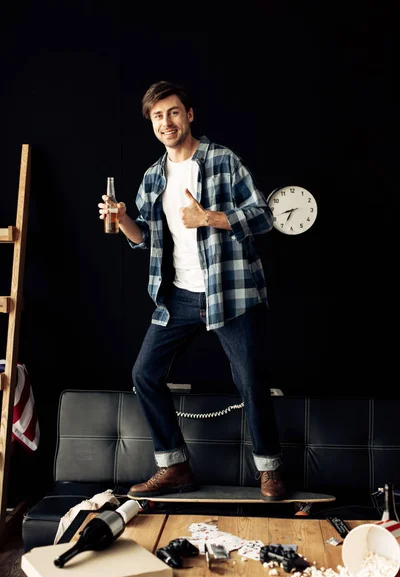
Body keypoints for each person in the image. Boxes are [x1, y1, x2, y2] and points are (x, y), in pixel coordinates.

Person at [98, 81, 286, 500]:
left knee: (251, 380)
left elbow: (263, 216)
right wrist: (124, 218)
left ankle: (270, 469)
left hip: (231, 292)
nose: (167, 122)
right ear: (152, 122)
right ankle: (174, 467)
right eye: (158, 116)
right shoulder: (152, 176)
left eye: (174, 112)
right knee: (144, 375)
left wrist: (211, 218)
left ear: (189, 115)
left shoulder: (222, 160)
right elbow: (146, 237)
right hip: (179, 295)